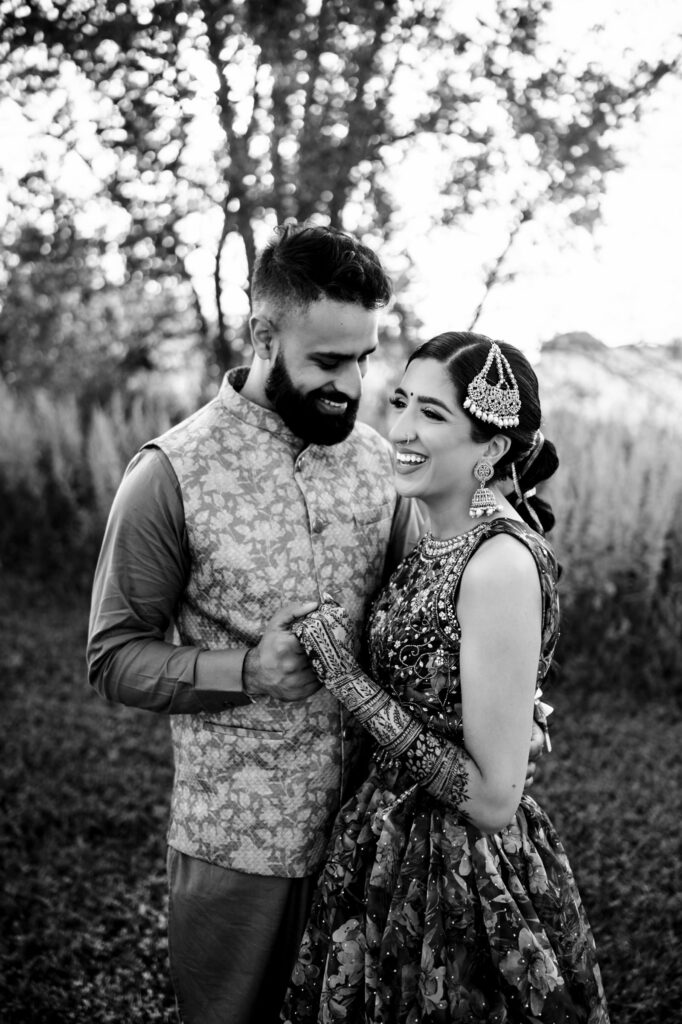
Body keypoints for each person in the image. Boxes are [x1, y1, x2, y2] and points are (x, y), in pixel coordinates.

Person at [87, 226, 543, 1024]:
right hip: (237, 850)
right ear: (265, 335)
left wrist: (511, 714)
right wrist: (244, 673)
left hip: (377, 849)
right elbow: (113, 657)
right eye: (329, 362)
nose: (353, 384)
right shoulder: (170, 473)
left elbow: (437, 614)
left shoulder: (382, 464)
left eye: (365, 359)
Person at [281, 332, 609, 1023]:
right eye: (400, 402)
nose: (399, 429)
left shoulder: (497, 563)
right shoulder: (440, 530)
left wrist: (348, 681)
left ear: (490, 449)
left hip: (456, 873)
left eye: (432, 414)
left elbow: (492, 799)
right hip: (387, 845)